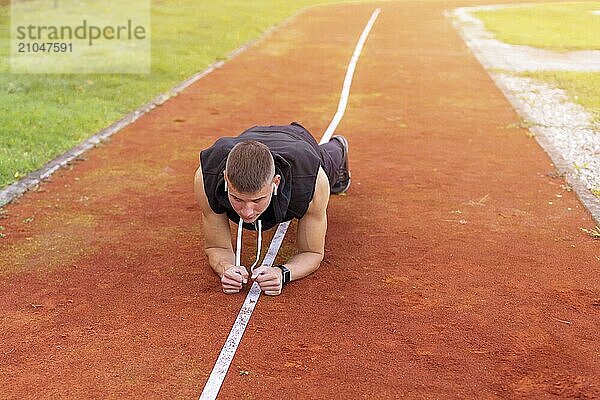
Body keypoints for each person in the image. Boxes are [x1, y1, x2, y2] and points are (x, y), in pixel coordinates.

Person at [194, 122, 350, 296]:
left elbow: (312, 252)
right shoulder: (207, 176)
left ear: (275, 182)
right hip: (251, 138)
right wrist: (226, 269)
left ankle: (338, 147)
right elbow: (217, 247)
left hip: (298, 142)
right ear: (225, 178)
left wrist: (282, 273)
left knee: (329, 162)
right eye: (237, 199)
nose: (247, 212)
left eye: (257, 200)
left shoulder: (311, 179)